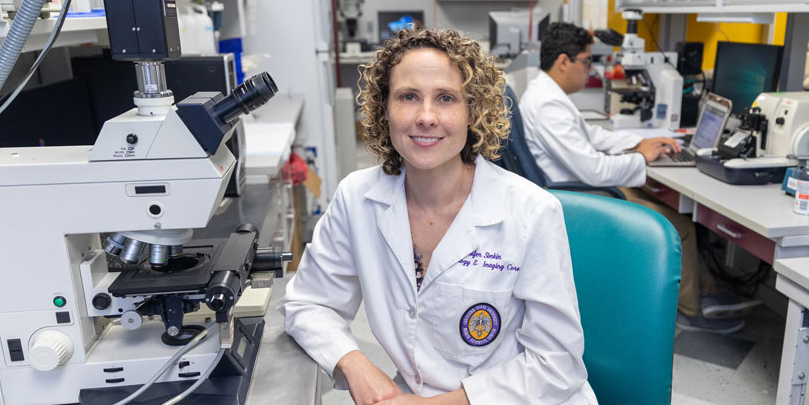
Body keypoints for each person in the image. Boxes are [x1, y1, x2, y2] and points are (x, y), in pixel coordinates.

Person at [279, 28, 598, 405]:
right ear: (384, 109)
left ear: (473, 111)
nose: (426, 117)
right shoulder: (357, 198)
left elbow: (557, 364)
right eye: (409, 96)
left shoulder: (532, 211)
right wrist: (353, 362)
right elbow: (308, 303)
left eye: (446, 98)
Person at [520, 22, 760, 334]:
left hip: (579, 186)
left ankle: (708, 293)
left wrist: (636, 143)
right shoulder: (547, 103)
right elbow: (592, 169)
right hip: (578, 195)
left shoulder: (546, 94)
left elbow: (590, 136)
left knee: (670, 210)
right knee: (680, 226)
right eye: (587, 61)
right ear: (564, 61)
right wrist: (642, 158)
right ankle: (690, 312)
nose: (590, 69)